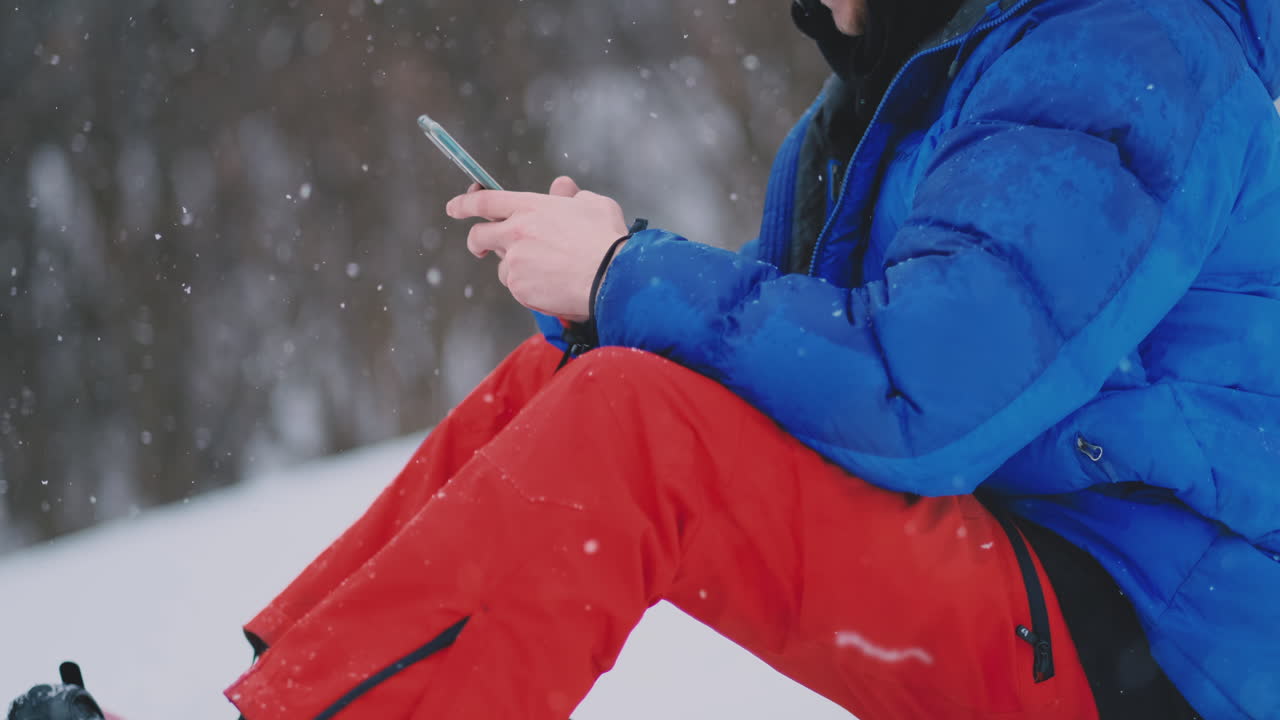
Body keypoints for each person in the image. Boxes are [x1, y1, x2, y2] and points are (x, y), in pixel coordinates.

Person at [221, 0, 1280, 718]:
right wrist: (602, 294)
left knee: (630, 422)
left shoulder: (1117, 47)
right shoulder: (900, 88)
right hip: (1019, 557)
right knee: (563, 385)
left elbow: (922, 396)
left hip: (1154, 641)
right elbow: (768, 381)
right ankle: (285, 695)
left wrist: (625, 274)